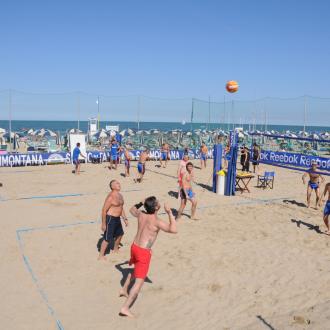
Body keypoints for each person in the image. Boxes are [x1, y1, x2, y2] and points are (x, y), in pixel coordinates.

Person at [119, 197, 177, 317]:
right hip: (143, 252)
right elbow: (174, 229)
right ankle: (125, 308)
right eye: (157, 202)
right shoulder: (157, 221)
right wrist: (169, 212)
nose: (159, 202)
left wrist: (141, 202)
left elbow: (131, 209)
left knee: (134, 270)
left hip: (134, 247)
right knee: (138, 284)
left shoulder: (141, 214)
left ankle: (123, 289)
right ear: (156, 207)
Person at [98, 180, 128, 260]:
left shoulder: (120, 195)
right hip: (110, 219)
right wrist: (103, 224)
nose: (119, 184)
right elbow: (104, 210)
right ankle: (101, 255)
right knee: (107, 238)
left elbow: (121, 208)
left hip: (117, 219)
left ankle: (115, 249)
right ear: (112, 187)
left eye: (119, 183)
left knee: (120, 234)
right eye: (117, 183)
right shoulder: (111, 197)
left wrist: (125, 218)